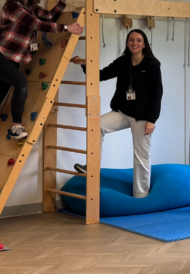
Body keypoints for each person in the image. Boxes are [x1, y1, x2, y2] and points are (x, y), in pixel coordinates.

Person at [0, 0, 82, 164]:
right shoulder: (12, 6)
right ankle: (16, 126)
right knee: (21, 82)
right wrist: (67, 27)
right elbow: (36, 24)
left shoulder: (32, 9)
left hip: (11, 60)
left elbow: (48, 17)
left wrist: (64, 0)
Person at [69, 29, 162, 198]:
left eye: (139, 40)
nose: (135, 43)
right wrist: (83, 63)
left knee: (141, 156)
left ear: (144, 44)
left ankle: (140, 196)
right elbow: (100, 75)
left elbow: (157, 94)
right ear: (127, 43)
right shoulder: (123, 61)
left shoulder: (152, 65)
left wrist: (152, 120)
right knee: (96, 124)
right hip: (123, 112)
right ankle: (92, 166)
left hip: (142, 117)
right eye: (132, 40)